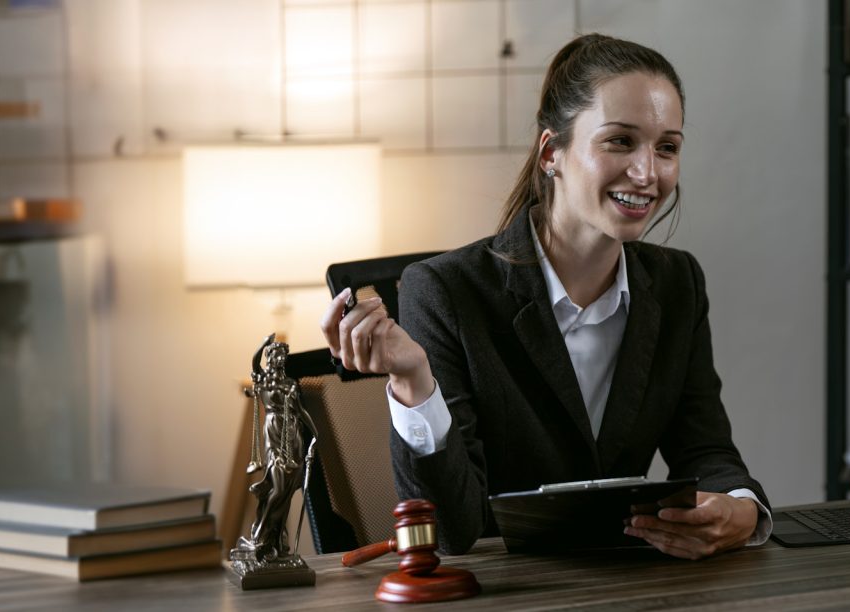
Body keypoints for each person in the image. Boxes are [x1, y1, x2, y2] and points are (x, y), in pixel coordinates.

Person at [320, 33, 771, 559]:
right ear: (552, 152)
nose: (648, 173)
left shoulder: (678, 283)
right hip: (507, 588)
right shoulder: (444, 291)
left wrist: (743, 510)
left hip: (631, 579)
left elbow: (706, 450)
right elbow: (450, 532)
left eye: (666, 147)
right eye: (620, 141)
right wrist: (413, 383)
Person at [237, 334, 318, 562]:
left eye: (284, 355)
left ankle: (277, 541)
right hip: (274, 432)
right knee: (279, 487)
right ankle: (261, 534)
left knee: (288, 490)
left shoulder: (290, 383)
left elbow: (300, 411)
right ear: (270, 358)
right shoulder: (263, 380)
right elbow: (255, 362)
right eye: (277, 355)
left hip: (292, 434)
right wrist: (264, 342)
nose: (281, 359)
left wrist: (316, 434)